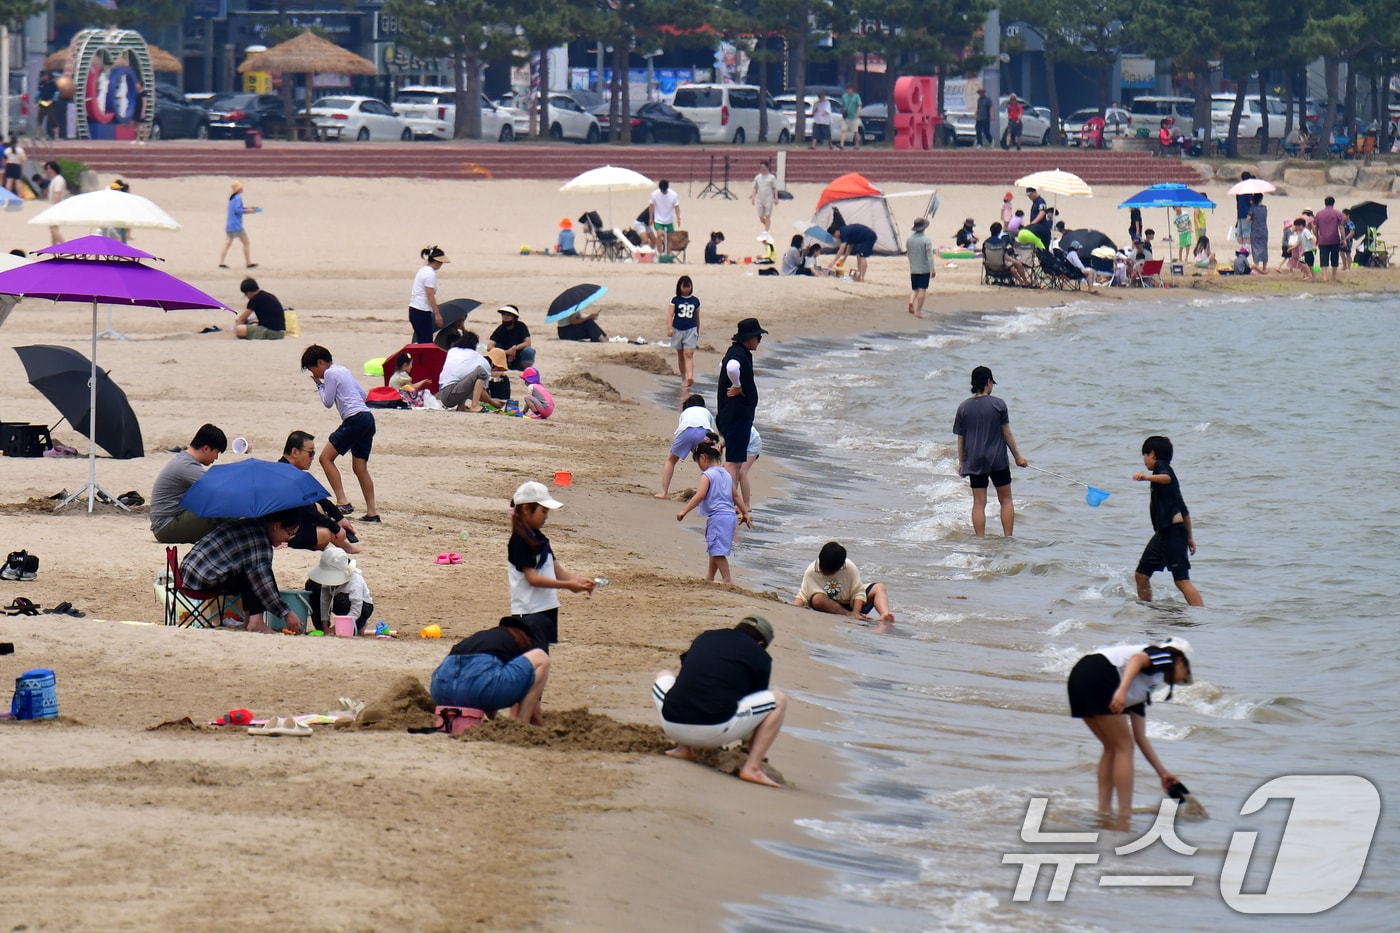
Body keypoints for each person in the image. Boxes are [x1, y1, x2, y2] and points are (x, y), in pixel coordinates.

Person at [1067, 637, 1193, 827]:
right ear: (1181, 660)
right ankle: (1124, 815)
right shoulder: (1166, 656)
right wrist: (1122, 691)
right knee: (1124, 747)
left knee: (1112, 747)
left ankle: (1104, 811)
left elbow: (1140, 737)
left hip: (1080, 674)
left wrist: (1163, 773)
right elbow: (1137, 659)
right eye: (1185, 673)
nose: (1181, 679)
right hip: (1100, 672)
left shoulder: (1143, 687)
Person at [651, 614, 787, 788]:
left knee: (664, 675)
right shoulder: (760, 655)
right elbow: (756, 707)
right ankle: (752, 767)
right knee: (779, 700)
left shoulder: (706, 636)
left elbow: (687, 675)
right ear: (761, 645)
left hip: (672, 723)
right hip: (714, 729)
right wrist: (747, 746)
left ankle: (683, 748)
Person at [179, 511, 305, 634]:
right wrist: (287, 613)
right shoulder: (259, 540)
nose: (288, 539)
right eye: (289, 534)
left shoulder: (250, 524)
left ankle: (251, 619)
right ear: (277, 526)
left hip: (187, 574)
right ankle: (256, 622)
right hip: (201, 581)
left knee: (253, 569)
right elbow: (264, 585)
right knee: (257, 574)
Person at [507, 480, 594, 646]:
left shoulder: (539, 539)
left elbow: (559, 572)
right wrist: (568, 585)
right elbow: (533, 578)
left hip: (547, 609)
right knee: (534, 659)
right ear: (526, 509)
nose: (546, 517)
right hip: (528, 613)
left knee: (544, 658)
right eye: (543, 511)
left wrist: (579, 581)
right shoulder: (519, 541)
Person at [301, 344, 379, 522]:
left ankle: (342, 501)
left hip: (354, 419)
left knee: (325, 458)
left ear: (320, 362)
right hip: (367, 417)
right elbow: (362, 394)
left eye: (313, 368)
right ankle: (372, 512)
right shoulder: (342, 369)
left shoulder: (329, 374)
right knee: (360, 468)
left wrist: (320, 386)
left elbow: (328, 402)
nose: (315, 373)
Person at [430, 617, 552, 725]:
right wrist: (540, 725)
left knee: (486, 676)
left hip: (441, 690)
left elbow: (481, 675)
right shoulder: (519, 643)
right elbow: (534, 711)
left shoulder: (485, 637)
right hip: (478, 689)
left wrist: (496, 720)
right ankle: (521, 725)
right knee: (542, 658)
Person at [953, 365, 1028, 537]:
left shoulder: (963, 408)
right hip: (997, 459)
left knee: (979, 503)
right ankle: (1008, 538)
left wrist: (961, 463)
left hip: (974, 460)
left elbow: (960, 438)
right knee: (1006, 500)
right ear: (988, 382)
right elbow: (1006, 432)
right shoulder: (998, 404)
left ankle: (980, 539)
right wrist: (1018, 457)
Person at [1132, 435, 1203, 606]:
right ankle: (1146, 610)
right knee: (1141, 575)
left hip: (1171, 533)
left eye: (1145, 455)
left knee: (1181, 580)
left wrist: (1146, 477)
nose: (1144, 460)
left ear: (1153, 454)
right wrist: (1190, 537)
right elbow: (1184, 510)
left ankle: (1202, 615)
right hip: (1166, 533)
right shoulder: (1169, 480)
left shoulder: (1161, 468)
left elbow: (1166, 478)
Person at [676, 442, 751, 585]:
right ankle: (710, 576)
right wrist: (745, 512)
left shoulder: (707, 475)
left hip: (718, 517)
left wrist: (684, 511)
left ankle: (727, 578)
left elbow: (700, 495)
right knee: (715, 546)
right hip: (729, 516)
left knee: (717, 549)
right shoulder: (727, 475)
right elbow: (735, 496)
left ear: (703, 458)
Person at [278, 430, 359, 554]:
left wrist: (339, 518)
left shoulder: (290, 471)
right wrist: (335, 527)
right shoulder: (285, 477)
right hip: (282, 531)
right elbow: (307, 511)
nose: (312, 457)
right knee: (324, 533)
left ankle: (343, 545)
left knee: (318, 507)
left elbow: (319, 497)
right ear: (295, 452)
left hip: (291, 522)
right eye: (310, 453)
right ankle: (344, 546)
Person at [150, 423, 226, 543]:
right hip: (166, 528)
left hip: (167, 523)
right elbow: (217, 490)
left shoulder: (184, 460)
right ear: (206, 449)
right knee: (218, 505)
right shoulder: (187, 466)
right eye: (217, 452)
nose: (216, 458)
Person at [793, 540, 895, 626]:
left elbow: (858, 591)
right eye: (823, 568)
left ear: (840, 567)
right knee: (817, 599)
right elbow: (803, 595)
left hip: (852, 602)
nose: (824, 571)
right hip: (829, 605)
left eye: (829, 571)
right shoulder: (812, 570)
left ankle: (885, 615)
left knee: (879, 587)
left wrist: (856, 612)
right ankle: (847, 613)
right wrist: (793, 609)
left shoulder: (849, 567)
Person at [717, 317, 766, 492]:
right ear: (749, 338)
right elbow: (730, 367)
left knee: (735, 462)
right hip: (736, 417)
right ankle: (726, 500)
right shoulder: (739, 354)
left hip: (730, 414)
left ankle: (727, 500)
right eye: (758, 337)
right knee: (734, 463)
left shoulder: (734, 350)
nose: (759, 341)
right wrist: (737, 386)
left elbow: (722, 364)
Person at [304, 544, 373, 634]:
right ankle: (322, 628)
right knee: (314, 586)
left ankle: (360, 624)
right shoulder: (326, 580)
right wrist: (325, 627)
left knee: (344, 630)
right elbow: (324, 602)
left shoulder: (355, 580)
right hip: (339, 606)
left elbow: (356, 610)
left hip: (361, 608)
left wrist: (334, 630)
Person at [656, 394, 714, 499]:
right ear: (703, 405)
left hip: (686, 431)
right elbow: (710, 429)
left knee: (671, 460)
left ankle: (664, 492)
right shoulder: (707, 412)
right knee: (708, 465)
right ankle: (707, 495)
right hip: (704, 432)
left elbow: (681, 428)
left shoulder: (685, 412)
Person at [438, 330, 490, 412]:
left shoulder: (452, 351)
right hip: (450, 393)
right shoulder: (476, 356)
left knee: (463, 375)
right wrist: (492, 402)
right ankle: (474, 405)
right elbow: (482, 389)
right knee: (480, 372)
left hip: (442, 391)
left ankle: (461, 405)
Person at [409, 245, 448, 345]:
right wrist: (437, 314)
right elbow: (430, 294)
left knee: (422, 340)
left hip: (415, 309)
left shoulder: (423, 270)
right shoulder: (430, 274)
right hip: (421, 310)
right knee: (426, 342)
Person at [667, 274, 700, 387]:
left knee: (689, 353)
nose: (686, 289)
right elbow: (670, 314)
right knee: (680, 355)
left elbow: (697, 317)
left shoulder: (695, 301)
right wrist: (669, 328)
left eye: (688, 286)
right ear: (679, 287)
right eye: (684, 286)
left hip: (691, 329)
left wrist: (698, 331)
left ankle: (690, 376)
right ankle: (684, 379)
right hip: (677, 330)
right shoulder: (675, 300)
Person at [218, 181, 257, 269]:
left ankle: (221, 262)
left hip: (230, 224)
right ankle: (248, 263)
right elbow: (238, 210)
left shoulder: (232, 198)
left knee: (227, 244)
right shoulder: (238, 198)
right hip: (236, 225)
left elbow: (237, 209)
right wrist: (248, 211)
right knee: (246, 243)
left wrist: (246, 209)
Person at [486, 303, 535, 371]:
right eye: (503, 315)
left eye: (508, 315)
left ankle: (527, 371)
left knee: (529, 351)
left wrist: (515, 348)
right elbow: (489, 346)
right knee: (496, 349)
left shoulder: (521, 326)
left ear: (514, 318)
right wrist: (506, 352)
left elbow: (527, 342)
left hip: (519, 357)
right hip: (504, 359)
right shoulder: (500, 329)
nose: (505, 317)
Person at [984, 222, 1033, 287]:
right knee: (1017, 264)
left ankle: (1021, 281)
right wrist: (1014, 260)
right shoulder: (1001, 243)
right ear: (999, 232)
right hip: (1000, 266)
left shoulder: (986, 243)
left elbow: (984, 254)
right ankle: (1025, 281)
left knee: (1012, 266)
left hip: (989, 266)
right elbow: (1005, 256)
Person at [907, 216, 934, 318]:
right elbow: (929, 256)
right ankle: (918, 311)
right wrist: (932, 268)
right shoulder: (926, 240)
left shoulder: (909, 239)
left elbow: (908, 253)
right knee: (922, 290)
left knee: (915, 289)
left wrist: (912, 263)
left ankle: (911, 302)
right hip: (924, 268)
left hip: (914, 268)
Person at [1314, 195, 1344, 283]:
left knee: (1324, 258)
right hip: (1335, 239)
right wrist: (1344, 238)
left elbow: (1316, 227)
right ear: (1333, 203)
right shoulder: (1338, 213)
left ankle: (1324, 277)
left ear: (1325, 203)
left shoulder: (1319, 214)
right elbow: (1341, 227)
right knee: (1335, 258)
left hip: (1323, 240)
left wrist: (1317, 237)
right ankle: (1334, 276)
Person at [649, 179, 681, 256]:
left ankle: (668, 254)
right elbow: (651, 206)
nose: (663, 191)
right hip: (658, 219)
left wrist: (678, 218)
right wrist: (651, 217)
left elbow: (676, 206)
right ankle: (660, 253)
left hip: (669, 219)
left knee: (669, 237)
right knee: (659, 235)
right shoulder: (654, 194)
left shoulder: (673, 194)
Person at [43, 161, 67, 246]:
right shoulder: (55, 180)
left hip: (56, 207)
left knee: (53, 228)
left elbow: (58, 194)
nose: (48, 171)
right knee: (53, 228)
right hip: (54, 207)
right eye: (47, 169)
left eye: (50, 169)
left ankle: (63, 245)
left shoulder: (58, 180)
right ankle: (54, 248)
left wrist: (54, 208)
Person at [751, 160, 778, 231]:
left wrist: (776, 198)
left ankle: (766, 231)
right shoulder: (757, 177)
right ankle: (767, 225)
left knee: (767, 216)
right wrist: (753, 197)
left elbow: (774, 188)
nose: (762, 170)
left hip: (769, 199)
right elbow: (755, 188)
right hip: (760, 199)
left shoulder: (771, 177)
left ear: (767, 168)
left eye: (764, 168)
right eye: (761, 168)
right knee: (760, 216)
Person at [1247, 193, 1269, 274]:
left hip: (1255, 230)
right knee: (1264, 247)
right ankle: (1264, 267)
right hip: (1264, 229)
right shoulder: (1264, 208)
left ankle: (1256, 266)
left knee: (1256, 248)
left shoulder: (1253, 209)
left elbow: (1247, 220)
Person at [838, 84, 863, 149]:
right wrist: (843, 111)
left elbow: (859, 105)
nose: (848, 90)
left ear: (852, 89)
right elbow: (842, 106)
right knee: (844, 130)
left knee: (855, 131)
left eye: (849, 89)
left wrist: (858, 113)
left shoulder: (856, 96)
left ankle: (856, 144)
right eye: (847, 89)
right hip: (846, 117)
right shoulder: (844, 96)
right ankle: (842, 144)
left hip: (853, 116)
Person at [1234, 172, 1254, 245]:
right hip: (1247, 214)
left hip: (1239, 213)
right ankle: (1247, 248)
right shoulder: (1247, 189)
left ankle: (1241, 247)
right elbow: (1251, 201)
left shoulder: (1239, 188)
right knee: (1247, 233)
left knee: (1239, 233)